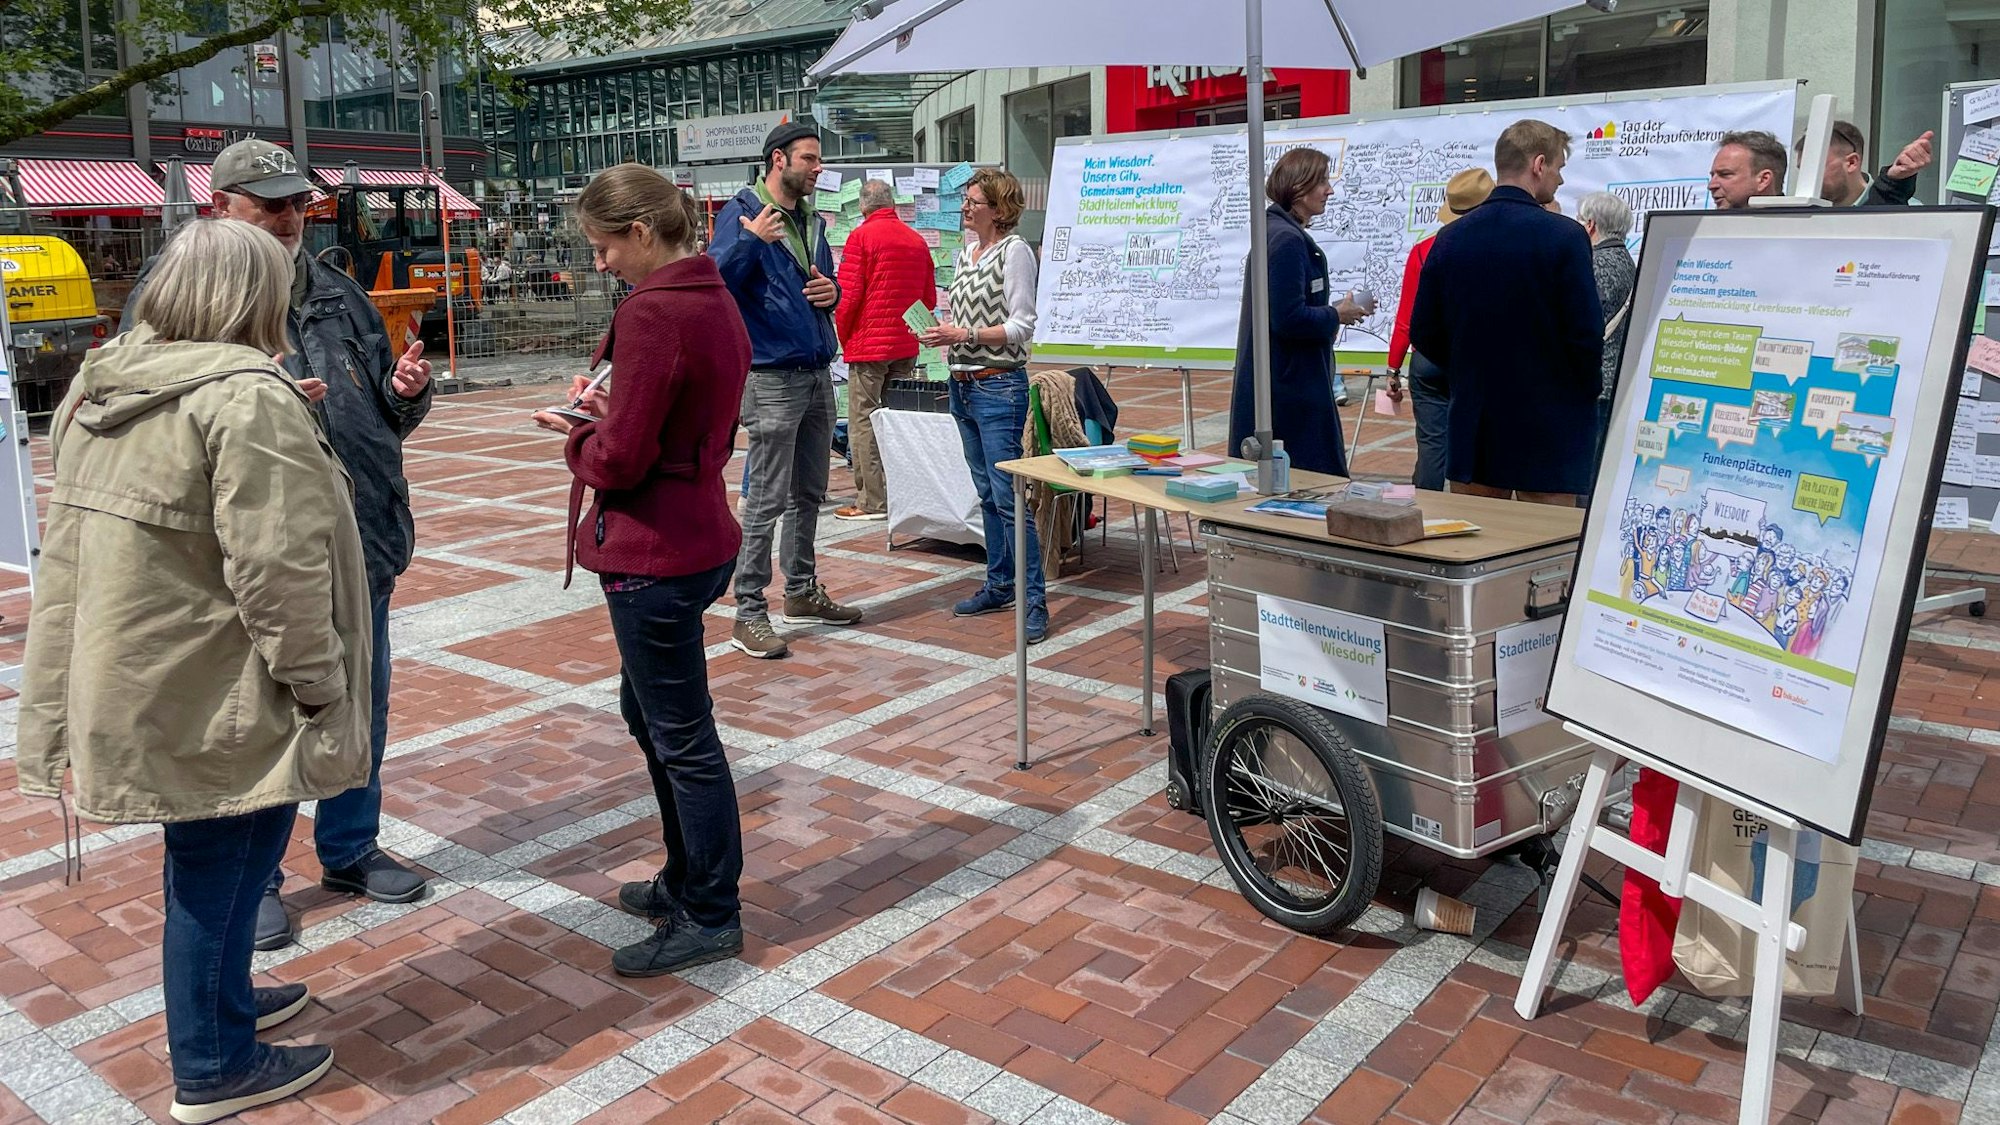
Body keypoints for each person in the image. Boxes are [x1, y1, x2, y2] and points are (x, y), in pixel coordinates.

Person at [20, 218, 372, 1123]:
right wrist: (322, 685)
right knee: (224, 865)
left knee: (213, 862)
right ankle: (213, 1062)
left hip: (148, 668)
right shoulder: (241, 398)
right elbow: (278, 572)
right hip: (224, 680)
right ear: (250, 298)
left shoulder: (109, 380)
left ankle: (223, 1008)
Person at [124, 138, 433, 950]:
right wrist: (261, 413)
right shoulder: (178, 299)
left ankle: (350, 846)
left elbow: (383, 416)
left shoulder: (336, 291)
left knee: (362, 700)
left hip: (360, 538)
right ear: (220, 206)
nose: (291, 217)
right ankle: (253, 879)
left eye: (298, 202)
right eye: (271, 203)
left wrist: (407, 393)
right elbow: (147, 426)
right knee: (254, 722)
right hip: (250, 560)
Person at [534, 165, 753, 978]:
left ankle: (711, 909)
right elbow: (678, 418)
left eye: (603, 247)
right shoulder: (709, 296)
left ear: (642, 233)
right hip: (696, 532)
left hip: (655, 548)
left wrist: (577, 436)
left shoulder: (656, 310)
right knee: (657, 717)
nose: (599, 264)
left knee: (683, 737)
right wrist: (608, 413)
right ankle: (690, 878)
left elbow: (622, 460)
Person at [710, 122, 863, 660]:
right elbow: (714, 282)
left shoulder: (810, 220)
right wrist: (751, 241)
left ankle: (800, 591)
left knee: (809, 495)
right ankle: (748, 611)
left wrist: (833, 290)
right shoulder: (744, 212)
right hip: (771, 377)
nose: (818, 168)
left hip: (817, 370)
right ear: (779, 160)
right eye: (809, 159)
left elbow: (822, 280)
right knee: (767, 499)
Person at [1410, 119, 1603, 506]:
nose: (1560, 181)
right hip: (1551, 421)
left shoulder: (1449, 239)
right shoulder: (1565, 237)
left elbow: (1424, 330)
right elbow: (1585, 333)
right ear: (1539, 164)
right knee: (1545, 551)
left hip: (1476, 419)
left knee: (1476, 542)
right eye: (1559, 168)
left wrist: (1468, 371)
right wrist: (1581, 391)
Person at [915, 169, 1049, 644]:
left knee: (1010, 499)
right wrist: (943, 333)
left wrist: (964, 335)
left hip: (998, 388)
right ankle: (999, 584)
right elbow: (963, 317)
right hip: (963, 386)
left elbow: (1021, 326)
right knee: (987, 495)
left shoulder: (1014, 252)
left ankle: (1035, 601)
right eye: (966, 200)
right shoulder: (965, 254)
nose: (966, 207)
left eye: (974, 201)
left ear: (999, 207)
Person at [1227, 147, 1369, 477]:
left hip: (1286, 388)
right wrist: (1337, 315)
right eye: (1322, 182)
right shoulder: (1286, 240)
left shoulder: (1277, 232)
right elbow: (1287, 317)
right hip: (1290, 397)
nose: (1329, 191)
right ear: (1298, 186)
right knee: (1311, 487)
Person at [833, 179, 936, 522]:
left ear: (863, 206)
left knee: (864, 422)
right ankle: (900, 493)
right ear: (891, 203)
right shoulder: (917, 240)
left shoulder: (860, 237)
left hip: (868, 346)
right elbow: (930, 299)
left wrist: (845, 339)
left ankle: (871, 500)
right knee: (897, 422)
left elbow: (847, 298)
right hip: (905, 344)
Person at [1386, 167, 1492, 491]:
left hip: (1427, 359)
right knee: (1479, 444)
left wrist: (1392, 367)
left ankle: (1425, 506)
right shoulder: (1491, 248)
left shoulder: (1423, 250)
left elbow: (1407, 316)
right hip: (1474, 358)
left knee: (1432, 444)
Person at [1577, 190, 1637, 488]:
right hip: (1615, 377)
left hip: (1597, 379)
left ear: (1590, 225)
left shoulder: (1596, 263)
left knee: (1587, 470)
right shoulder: (1626, 260)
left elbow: (1587, 321)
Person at [1798, 121, 1932, 208]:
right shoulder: (1804, 218)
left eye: (1815, 169)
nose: (1805, 180)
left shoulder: (1906, 208)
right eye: (1801, 171)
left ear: (1851, 163)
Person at [1708, 130, 1790, 209]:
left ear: (1763, 180)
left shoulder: (1795, 222)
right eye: (1712, 176)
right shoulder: (1709, 222)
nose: (1711, 186)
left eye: (1725, 174)